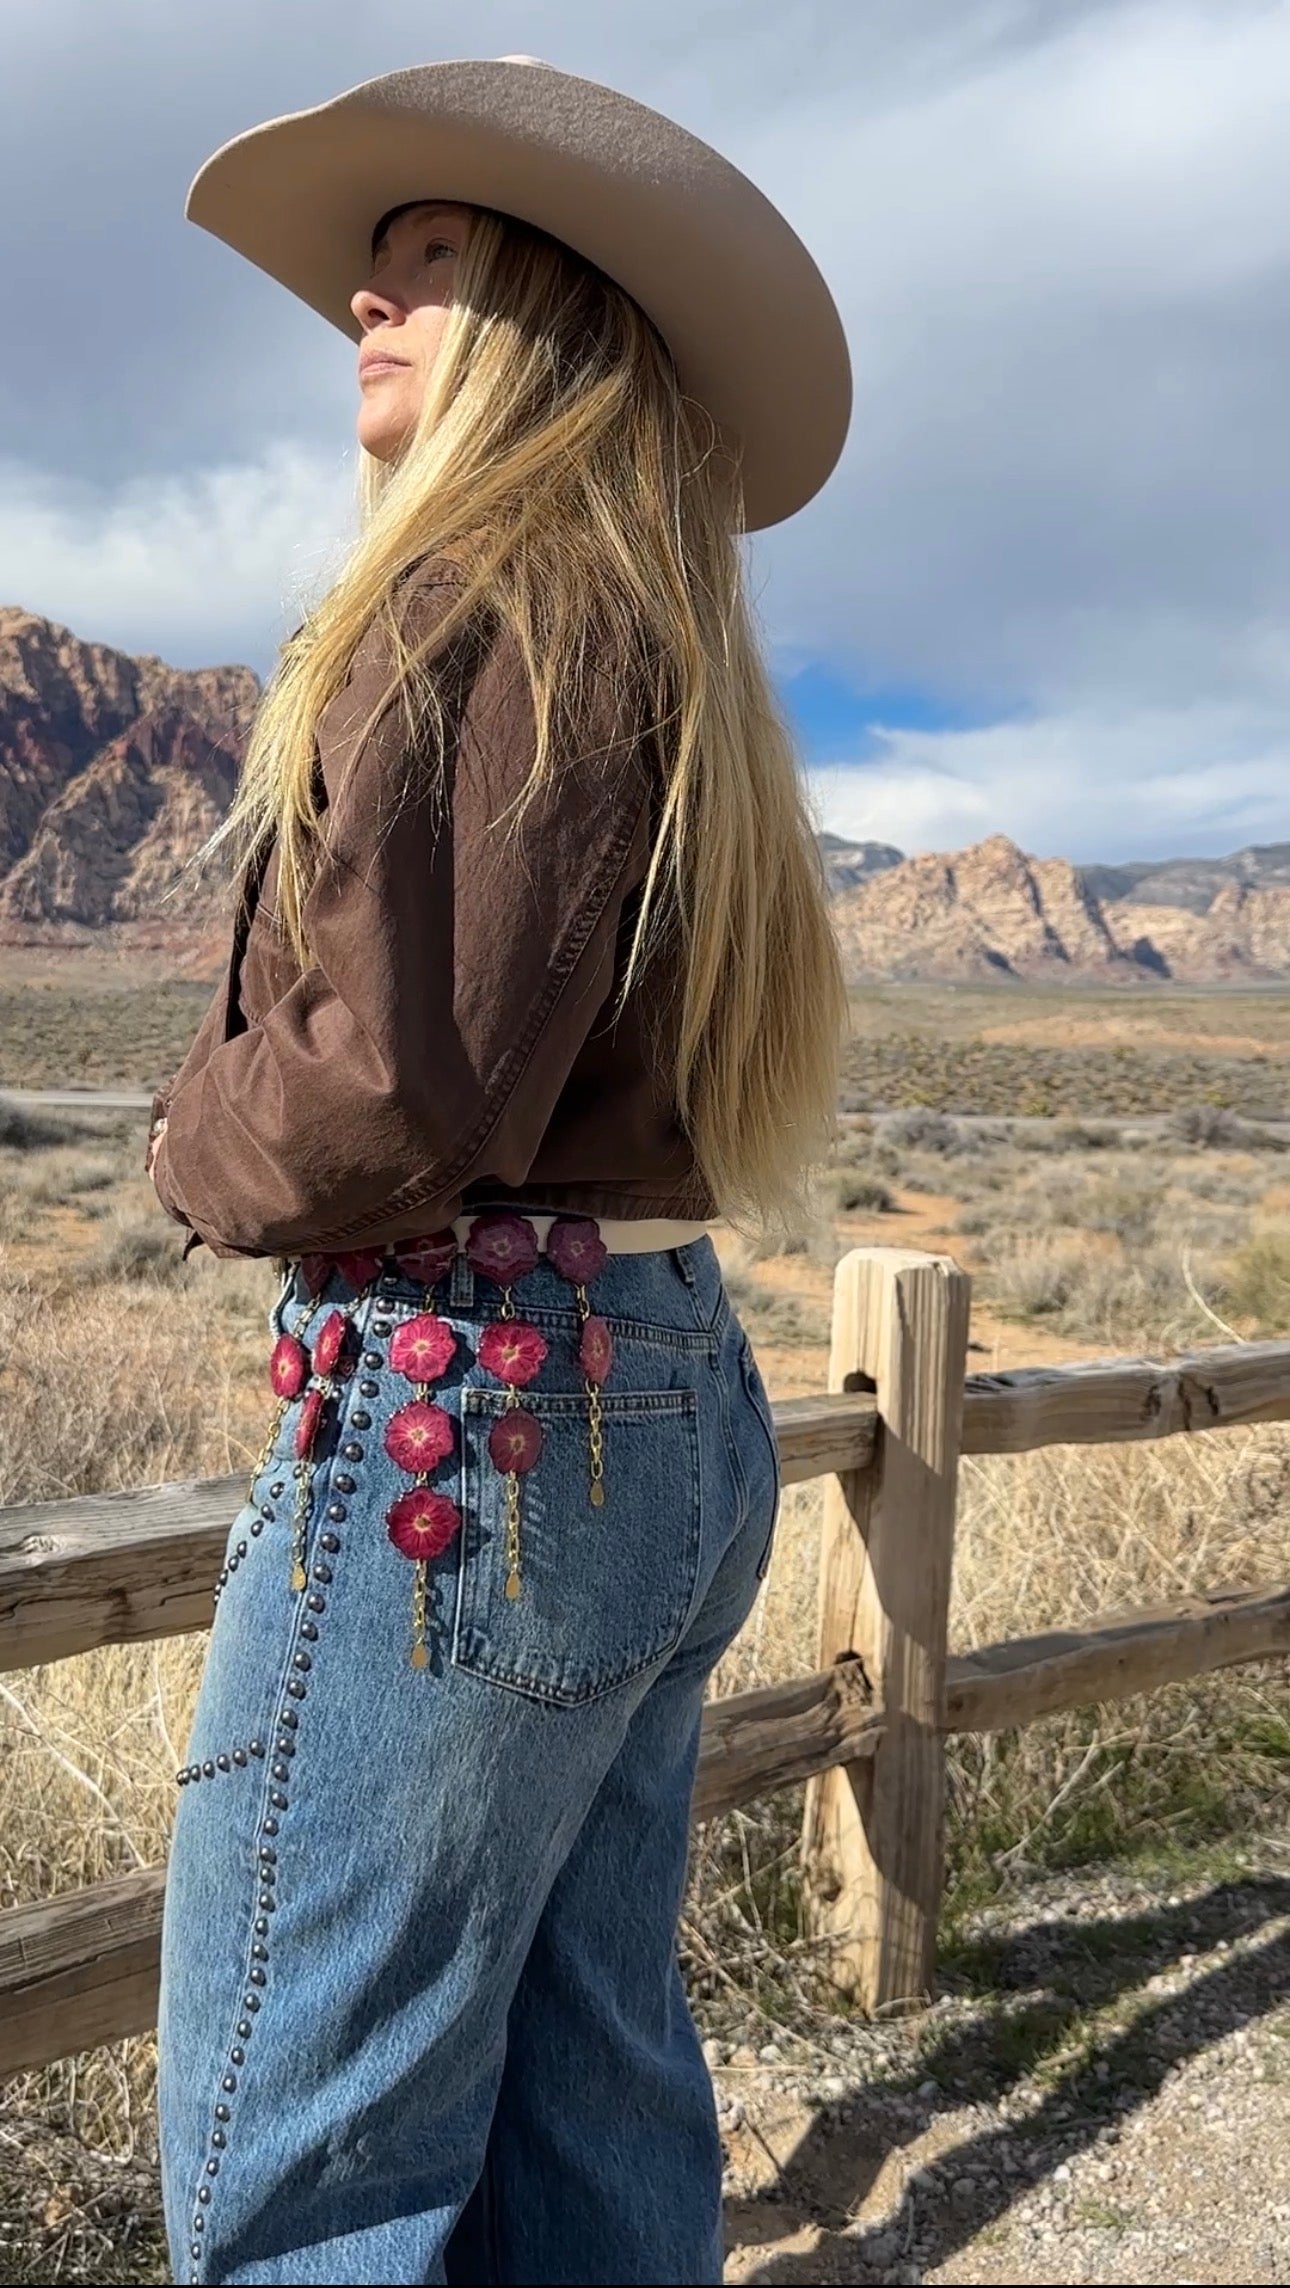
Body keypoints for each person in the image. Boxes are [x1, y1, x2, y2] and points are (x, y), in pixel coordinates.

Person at [148, 54, 851, 2288]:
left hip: (474, 1413)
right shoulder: (656, 630)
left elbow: (382, 1093)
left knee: (310, 2151)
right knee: (587, 2086)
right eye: (374, 267)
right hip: (651, 1387)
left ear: (546, 310)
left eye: (431, 259)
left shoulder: (488, 591)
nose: (369, 297)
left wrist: (186, 1140)